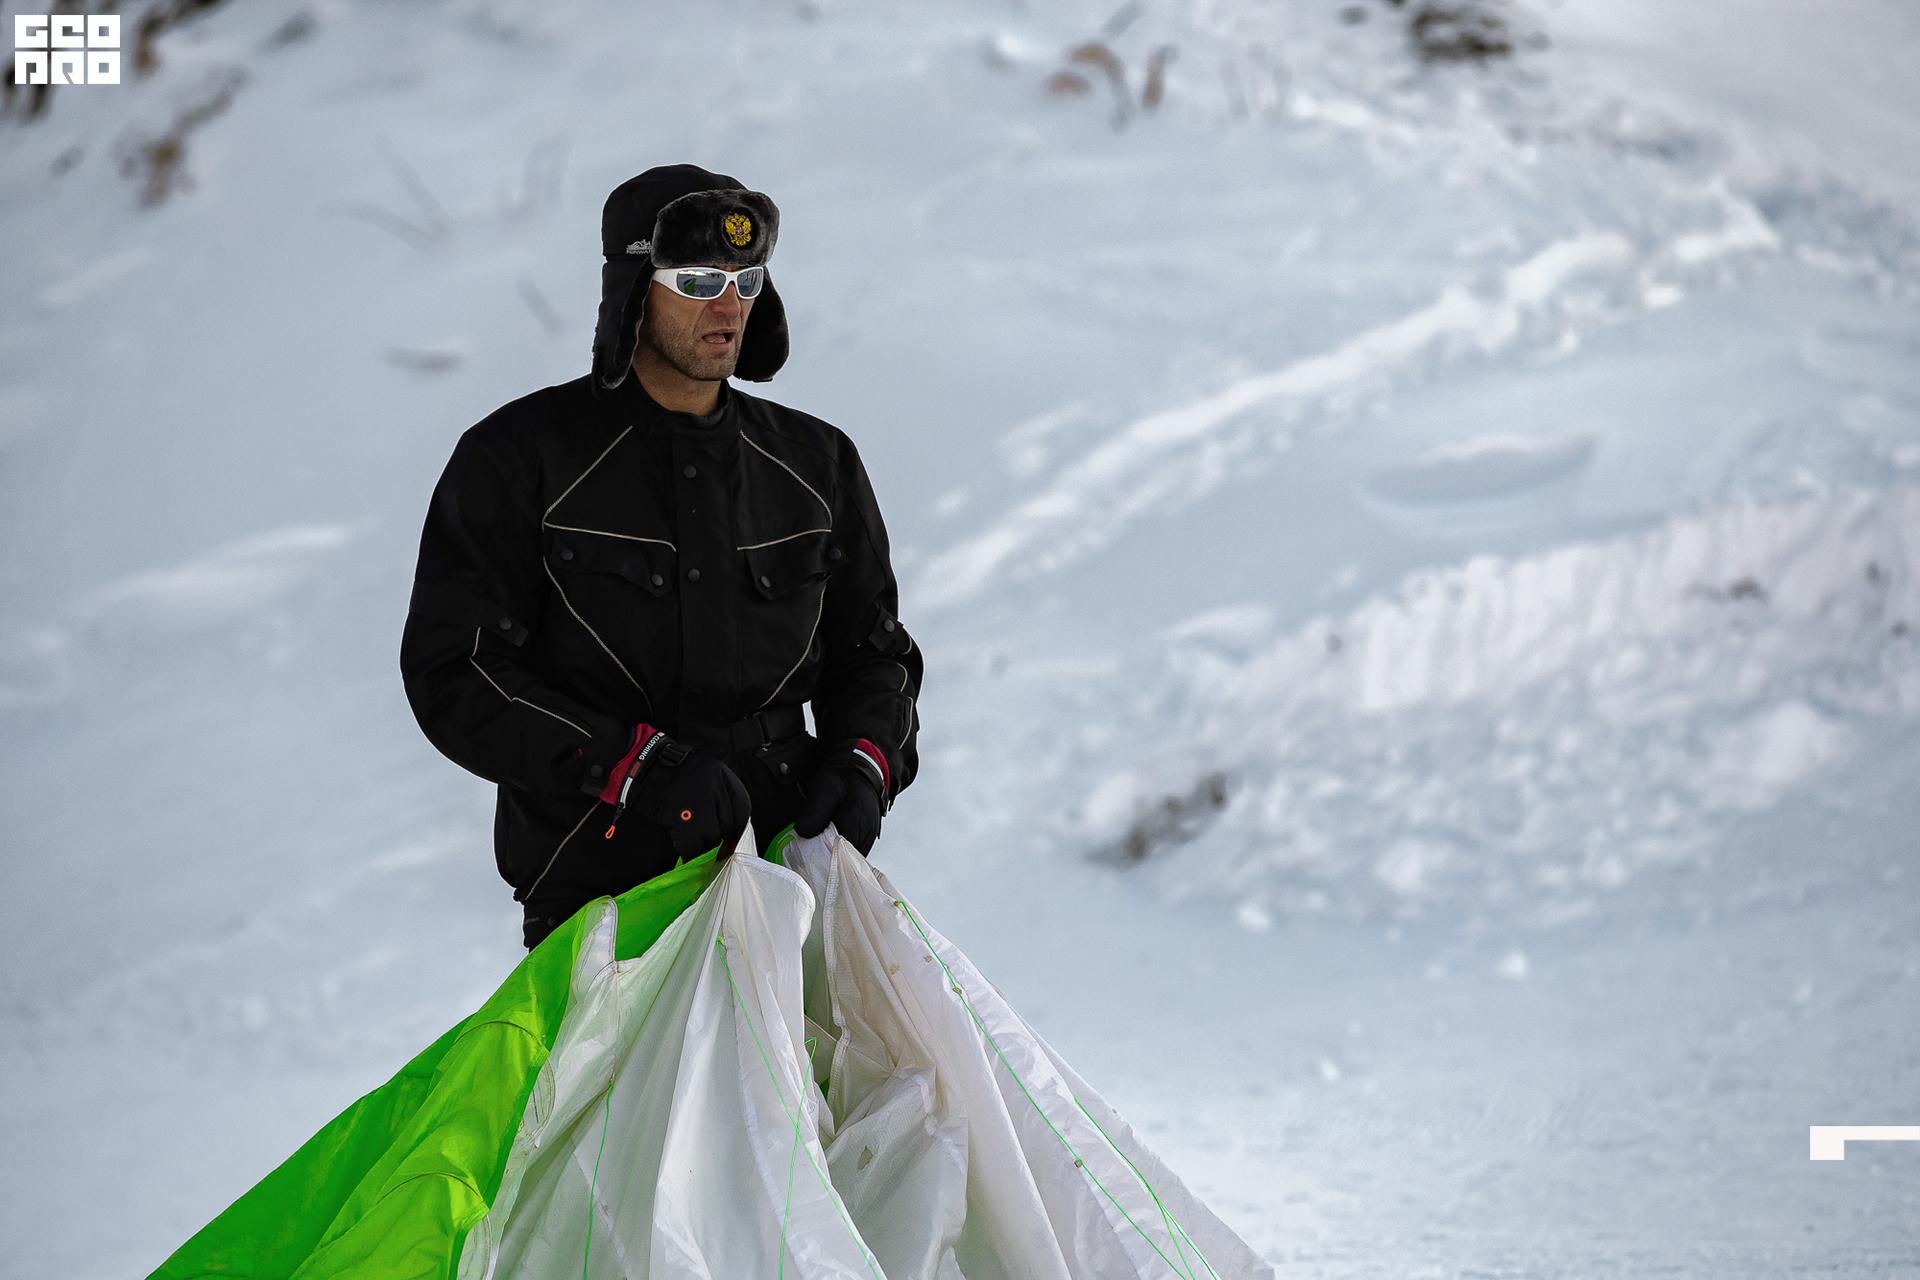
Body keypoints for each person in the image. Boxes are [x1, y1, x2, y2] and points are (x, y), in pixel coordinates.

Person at [401, 165, 922, 949]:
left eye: (747, 280)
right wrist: (637, 769)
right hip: (604, 916)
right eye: (699, 281)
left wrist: (864, 764)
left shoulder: (817, 465)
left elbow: (875, 656)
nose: (729, 305)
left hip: (791, 896)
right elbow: (456, 671)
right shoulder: (519, 459)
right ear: (631, 288)